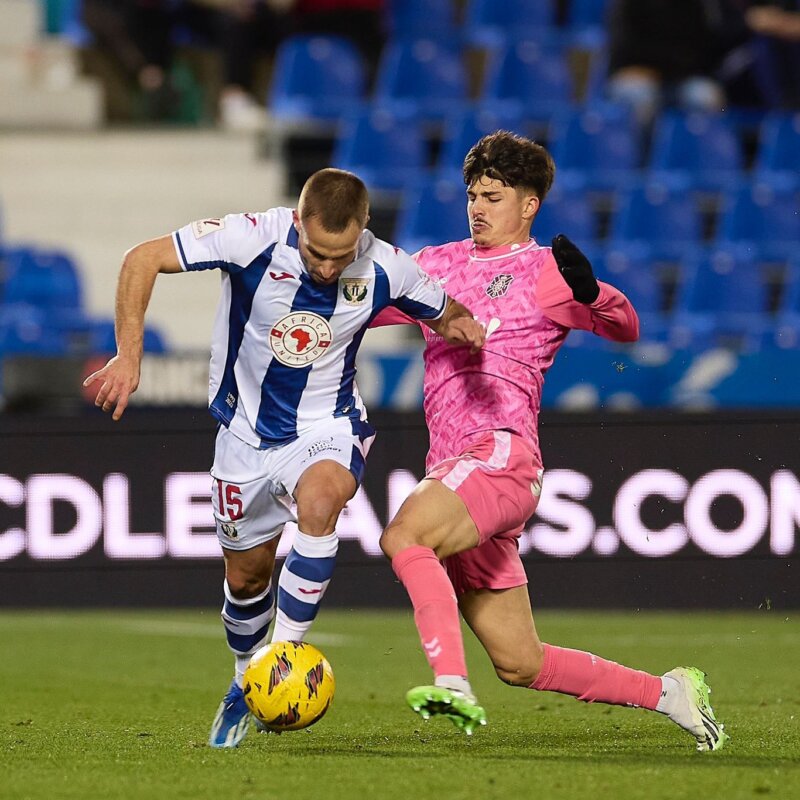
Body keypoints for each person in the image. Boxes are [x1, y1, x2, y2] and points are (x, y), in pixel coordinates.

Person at [83, 168, 485, 748]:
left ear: (363, 230)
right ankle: (245, 677)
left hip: (326, 427)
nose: (326, 267)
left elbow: (442, 309)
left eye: (339, 255)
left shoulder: (386, 265)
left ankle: (284, 653)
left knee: (323, 500)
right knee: (246, 580)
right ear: (298, 221)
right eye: (317, 253)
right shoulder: (251, 237)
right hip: (242, 438)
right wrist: (128, 355)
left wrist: (462, 326)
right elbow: (141, 259)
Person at [374, 131, 729, 752]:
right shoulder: (435, 264)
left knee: (406, 535)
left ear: (530, 203)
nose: (477, 207)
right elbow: (367, 306)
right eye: (472, 196)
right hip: (454, 467)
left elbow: (626, 327)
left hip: (500, 455)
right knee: (519, 661)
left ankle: (450, 683)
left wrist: (594, 294)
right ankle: (670, 693)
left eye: (493, 195)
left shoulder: (546, 274)